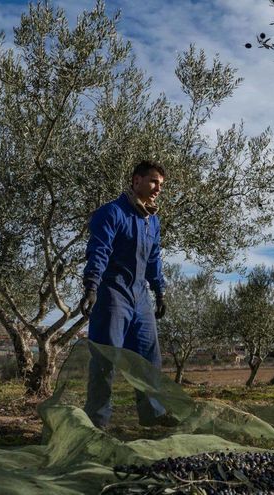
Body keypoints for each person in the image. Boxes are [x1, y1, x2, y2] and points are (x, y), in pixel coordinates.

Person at [79, 159, 169, 428]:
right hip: (113, 292)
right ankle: (98, 422)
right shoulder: (112, 212)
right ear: (136, 180)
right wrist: (92, 285)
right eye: (153, 181)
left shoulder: (152, 220)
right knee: (106, 359)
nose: (157, 188)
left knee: (148, 359)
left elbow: (154, 258)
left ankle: (153, 415)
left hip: (140, 295)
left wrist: (159, 291)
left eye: (161, 184)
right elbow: (99, 249)